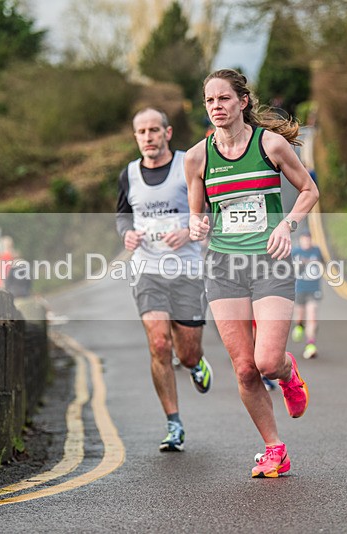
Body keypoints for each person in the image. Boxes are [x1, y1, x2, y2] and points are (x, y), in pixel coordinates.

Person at [185, 69, 319, 478]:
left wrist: (287, 224)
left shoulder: (271, 145)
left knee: (265, 362)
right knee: (244, 368)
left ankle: (286, 371)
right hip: (224, 267)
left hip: (270, 263)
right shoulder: (198, 157)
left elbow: (310, 191)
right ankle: (274, 448)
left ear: (243, 102)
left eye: (224, 99)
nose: (216, 107)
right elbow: (197, 213)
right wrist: (197, 225)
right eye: (209, 101)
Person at [116, 107, 213, 452]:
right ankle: (173, 424)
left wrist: (189, 231)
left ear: (167, 133)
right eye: (141, 132)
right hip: (148, 270)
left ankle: (196, 362)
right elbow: (123, 217)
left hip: (186, 270)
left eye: (154, 130)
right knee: (159, 345)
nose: (148, 138)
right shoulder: (128, 174)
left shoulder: (189, 164)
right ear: (136, 137)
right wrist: (126, 236)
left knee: (185, 353)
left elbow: (211, 211)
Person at [291, 231, 324, 358]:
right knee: (299, 316)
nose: (306, 242)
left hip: (313, 289)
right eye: (304, 240)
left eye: (308, 239)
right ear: (300, 240)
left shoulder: (316, 251)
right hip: (299, 289)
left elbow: (324, 265)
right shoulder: (295, 252)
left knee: (312, 316)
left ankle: (311, 345)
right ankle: (299, 325)